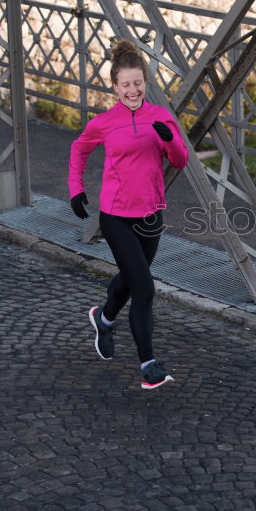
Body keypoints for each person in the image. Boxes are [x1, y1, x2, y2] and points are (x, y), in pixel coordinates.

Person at [67, 39, 189, 389]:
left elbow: (180, 161)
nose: (132, 90)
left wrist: (169, 139)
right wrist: (76, 188)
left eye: (138, 84)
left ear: (145, 83)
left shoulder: (161, 117)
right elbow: (79, 150)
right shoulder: (105, 122)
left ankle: (103, 319)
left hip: (151, 215)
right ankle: (148, 364)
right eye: (125, 85)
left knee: (130, 277)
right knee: (144, 288)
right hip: (116, 215)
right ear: (115, 86)